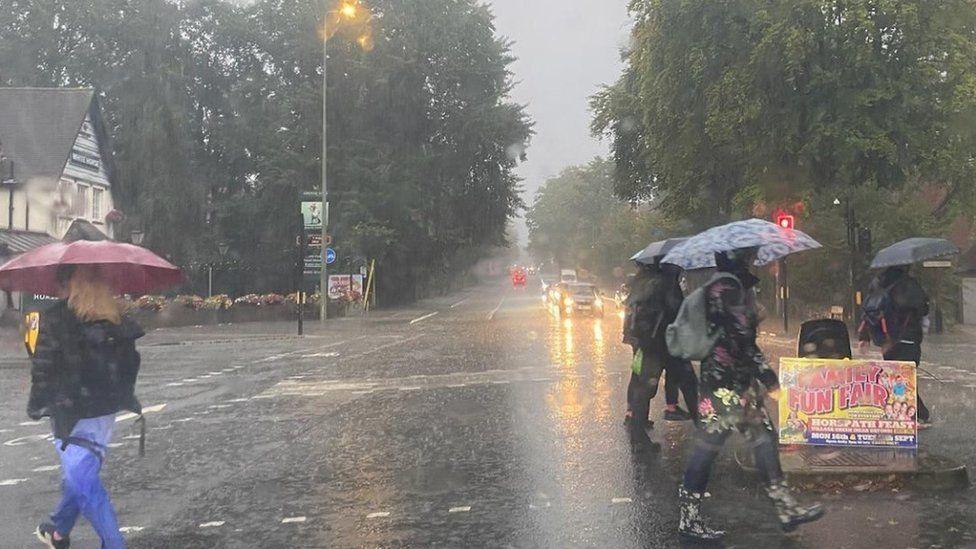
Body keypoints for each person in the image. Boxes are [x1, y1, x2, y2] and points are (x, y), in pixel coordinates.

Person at [678, 248, 823, 541]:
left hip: (729, 383)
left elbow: (735, 336)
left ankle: (785, 510)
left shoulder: (723, 286)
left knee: (760, 440)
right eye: (750, 255)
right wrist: (768, 377)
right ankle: (689, 519)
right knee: (710, 447)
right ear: (737, 257)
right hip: (726, 387)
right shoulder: (727, 288)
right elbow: (742, 341)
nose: (755, 259)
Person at [27, 265, 144, 549]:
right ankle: (58, 529)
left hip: (70, 411)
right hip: (104, 410)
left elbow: (44, 368)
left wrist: (38, 402)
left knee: (83, 481)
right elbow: (131, 364)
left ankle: (114, 544)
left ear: (71, 284)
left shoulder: (56, 319)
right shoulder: (117, 318)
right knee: (80, 474)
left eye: (61, 282)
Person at [623, 260, 698, 444]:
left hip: (647, 343)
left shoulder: (643, 282)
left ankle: (638, 437)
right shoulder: (667, 283)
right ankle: (706, 430)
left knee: (644, 388)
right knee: (690, 384)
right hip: (668, 344)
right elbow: (677, 312)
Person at [858, 265, 931, 425]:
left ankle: (911, 413)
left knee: (898, 378)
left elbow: (868, 311)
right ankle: (916, 415)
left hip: (886, 341)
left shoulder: (878, 283)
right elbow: (923, 309)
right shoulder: (909, 284)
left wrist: (864, 336)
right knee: (904, 378)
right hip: (907, 338)